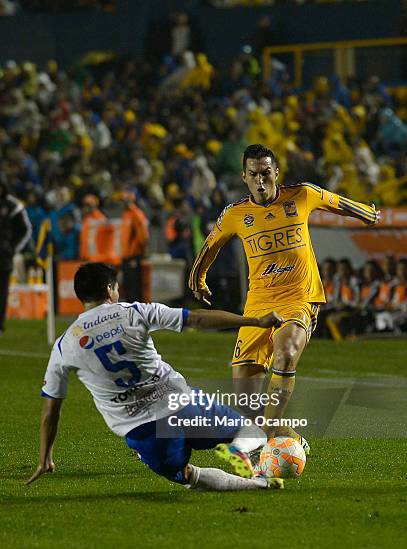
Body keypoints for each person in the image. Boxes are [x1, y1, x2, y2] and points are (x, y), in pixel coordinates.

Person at [189, 143, 379, 457]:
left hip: (299, 299)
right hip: (257, 308)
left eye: (266, 173)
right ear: (244, 178)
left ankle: (262, 441)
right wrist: (198, 279)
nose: (261, 180)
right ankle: (289, 440)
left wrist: (367, 213)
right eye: (254, 175)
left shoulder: (302, 195)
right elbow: (210, 247)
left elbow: (337, 202)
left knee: (286, 353)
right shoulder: (235, 215)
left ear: (276, 172)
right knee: (247, 411)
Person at [27, 262, 285, 491]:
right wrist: (255, 321)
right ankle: (240, 449)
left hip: (143, 429)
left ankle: (255, 485)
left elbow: (51, 410)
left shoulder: (64, 345)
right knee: (251, 429)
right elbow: (197, 319)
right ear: (109, 290)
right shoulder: (134, 312)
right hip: (183, 404)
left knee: (185, 475)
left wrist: (45, 457)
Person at [0, 174, 32, 336]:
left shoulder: (13, 206)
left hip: (3, 257)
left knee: (1, 291)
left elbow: (26, 230)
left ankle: (0, 325)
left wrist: (12, 249)